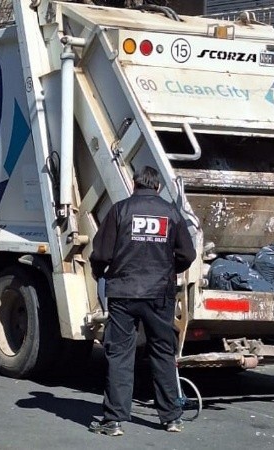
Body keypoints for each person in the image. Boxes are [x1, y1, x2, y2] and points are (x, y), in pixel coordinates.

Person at [88, 165, 196, 437]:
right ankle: (171, 418)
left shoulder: (120, 210)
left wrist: (99, 272)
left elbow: (100, 253)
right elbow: (188, 254)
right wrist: (169, 270)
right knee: (162, 352)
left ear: (134, 185)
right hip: (160, 294)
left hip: (124, 293)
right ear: (157, 187)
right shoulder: (172, 213)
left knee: (120, 354)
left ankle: (113, 421)